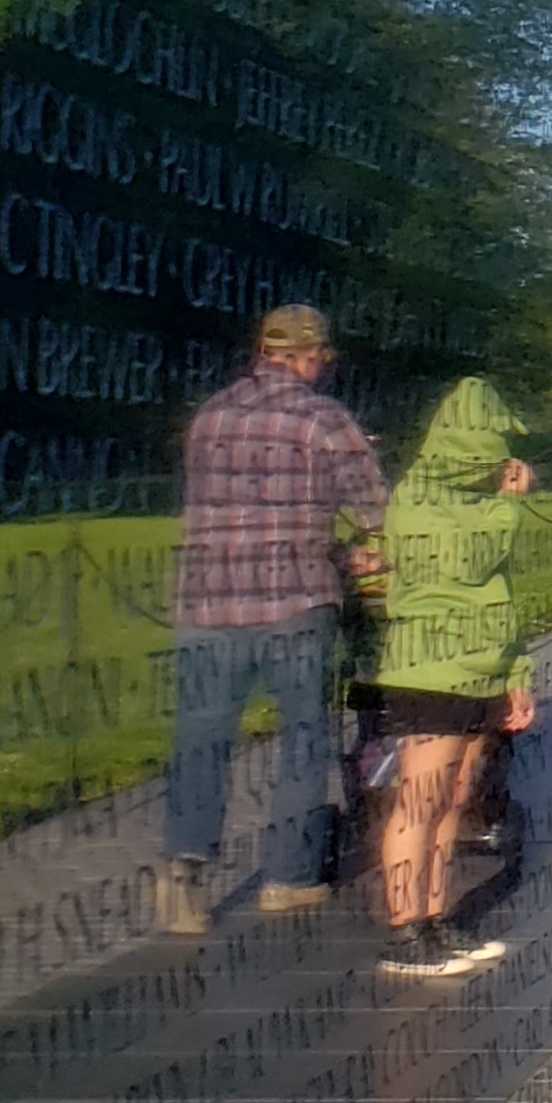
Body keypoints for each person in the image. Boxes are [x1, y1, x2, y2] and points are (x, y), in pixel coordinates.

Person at [162, 306, 389, 936]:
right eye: (323, 358)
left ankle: (185, 866)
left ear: (262, 353)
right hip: (294, 600)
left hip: (206, 602)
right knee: (303, 739)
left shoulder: (208, 418)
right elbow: (375, 508)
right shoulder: (323, 418)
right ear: (311, 356)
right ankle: (288, 879)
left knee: (201, 740)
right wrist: (356, 550)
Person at [359, 378, 538, 977]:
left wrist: (517, 673)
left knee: (454, 800)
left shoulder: (481, 500)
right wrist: (510, 504)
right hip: (429, 672)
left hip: (482, 670)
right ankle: (404, 930)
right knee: (420, 800)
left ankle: (436, 921)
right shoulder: (417, 497)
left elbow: (502, 592)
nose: (502, 460)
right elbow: (469, 561)